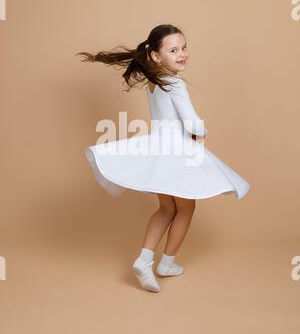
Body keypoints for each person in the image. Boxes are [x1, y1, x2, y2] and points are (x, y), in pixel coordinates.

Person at [76, 24, 251, 294]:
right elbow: (193, 124)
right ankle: (165, 263)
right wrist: (202, 132)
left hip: (158, 149)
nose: (182, 54)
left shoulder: (154, 82)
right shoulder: (175, 83)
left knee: (167, 209)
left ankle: (145, 260)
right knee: (186, 208)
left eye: (184, 47)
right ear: (156, 56)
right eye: (173, 50)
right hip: (176, 152)